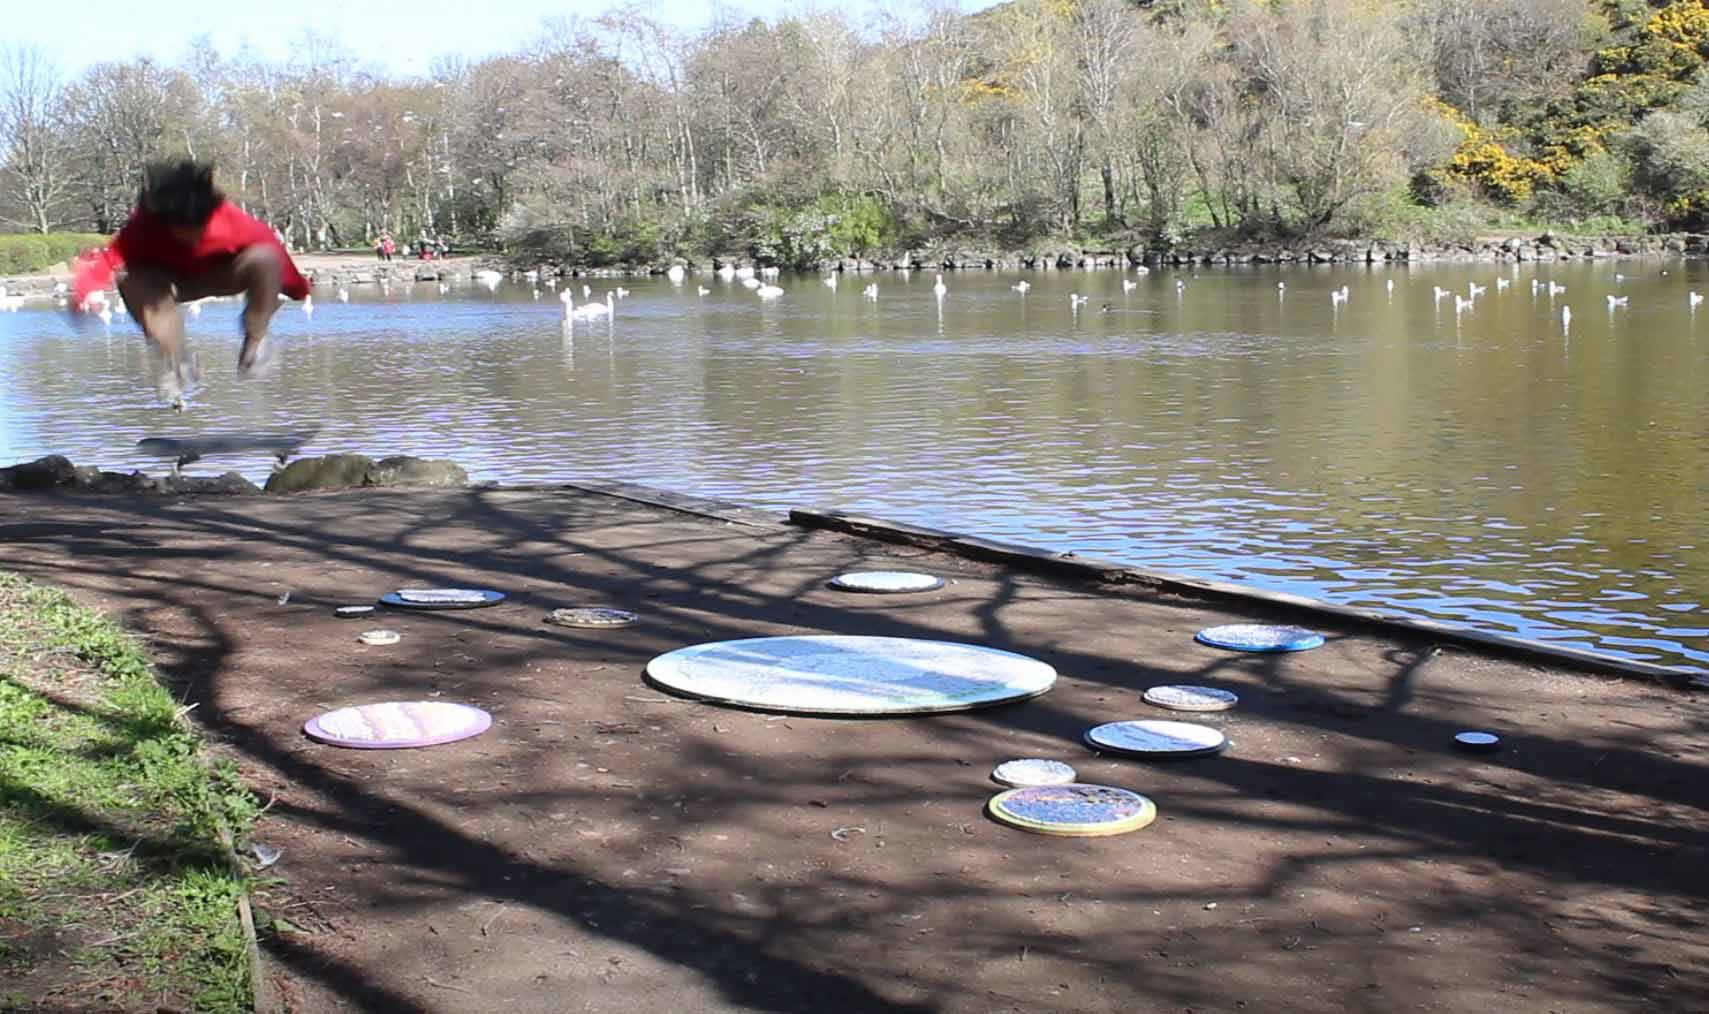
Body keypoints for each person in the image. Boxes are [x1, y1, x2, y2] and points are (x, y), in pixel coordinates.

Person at [70, 159, 312, 396]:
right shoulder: (143, 227)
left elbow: (275, 255)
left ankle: (255, 341)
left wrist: (298, 290)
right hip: (172, 283)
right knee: (129, 279)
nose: (191, 238)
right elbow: (109, 259)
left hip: (224, 275)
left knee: (265, 257)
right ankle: (177, 360)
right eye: (181, 231)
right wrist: (81, 294)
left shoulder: (233, 224)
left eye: (198, 230)